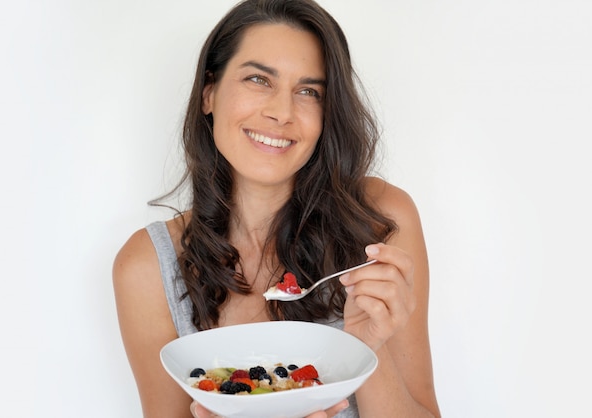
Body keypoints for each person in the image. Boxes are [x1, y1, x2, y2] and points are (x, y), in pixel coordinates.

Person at [113, 0, 440, 416]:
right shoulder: (147, 266)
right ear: (209, 92)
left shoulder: (380, 220)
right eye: (258, 79)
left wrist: (363, 348)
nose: (282, 112)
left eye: (308, 91)